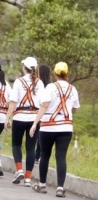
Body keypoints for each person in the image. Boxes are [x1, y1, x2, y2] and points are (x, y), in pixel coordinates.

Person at [30, 62, 80, 197]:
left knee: (45, 155)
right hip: (66, 127)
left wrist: (35, 123)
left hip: (48, 127)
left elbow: (44, 105)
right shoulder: (72, 89)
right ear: (67, 73)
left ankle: (42, 185)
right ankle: (60, 187)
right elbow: (74, 108)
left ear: (55, 73)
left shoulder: (50, 88)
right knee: (61, 156)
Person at [4, 57, 44, 187]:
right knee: (31, 147)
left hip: (19, 117)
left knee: (16, 144)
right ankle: (27, 179)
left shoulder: (18, 82)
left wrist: (7, 118)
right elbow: (43, 104)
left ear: (24, 67)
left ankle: (19, 169)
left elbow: (13, 102)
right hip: (34, 119)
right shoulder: (40, 83)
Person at [35, 64, 51, 164]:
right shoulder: (50, 86)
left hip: (40, 112)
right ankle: (39, 155)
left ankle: (37, 156)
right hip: (48, 114)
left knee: (39, 135)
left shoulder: (39, 86)